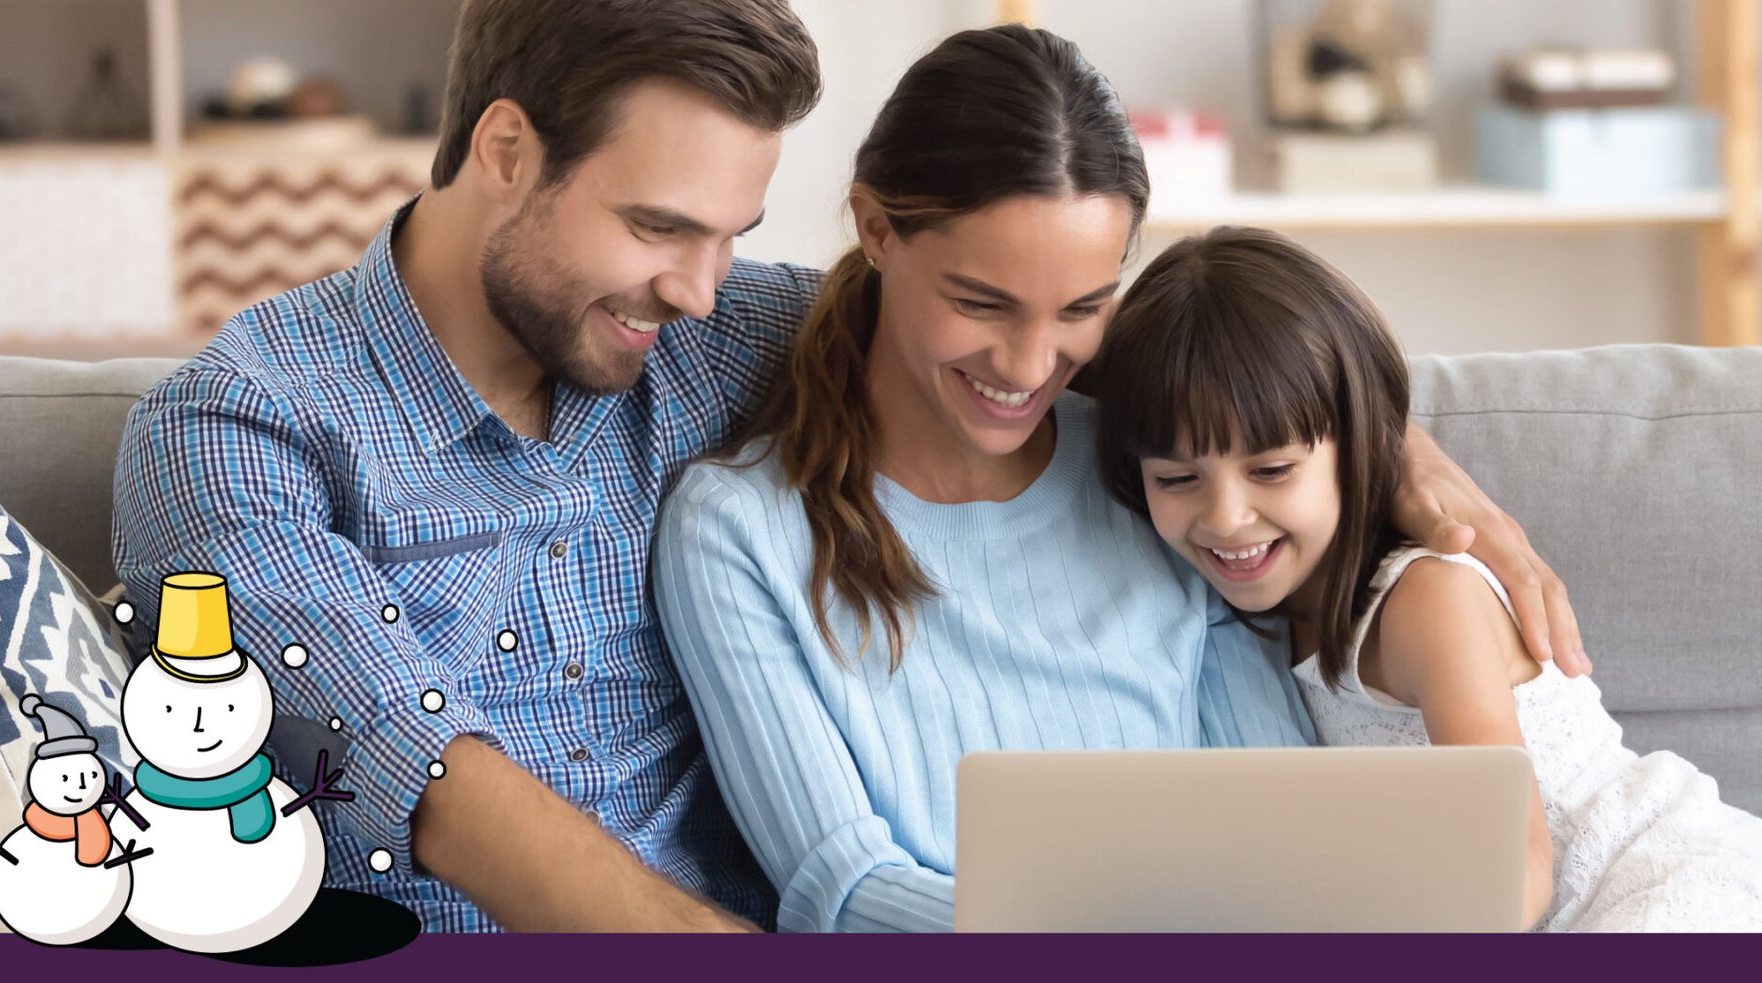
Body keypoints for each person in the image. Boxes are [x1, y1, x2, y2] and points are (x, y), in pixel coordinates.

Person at [115, 0, 1579, 932]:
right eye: (659, 226)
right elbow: (434, 782)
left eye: (733, 233)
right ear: (506, 147)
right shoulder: (238, 436)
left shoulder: (705, 327)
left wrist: (1411, 467)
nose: (702, 286)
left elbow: (1083, 333)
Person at [649, 24, 1585, 934]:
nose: (1025, 365)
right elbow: (843, 890)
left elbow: (1280, 801)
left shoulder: (1159, 476)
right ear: (877, 228)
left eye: (1082, 308)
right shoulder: (740, 531)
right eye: (981, 303)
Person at [1090, 226, 1762, 932]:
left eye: (1273, 470)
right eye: (1177, 477)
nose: (1225, 517)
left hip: (1660, 884)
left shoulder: (1426, 599)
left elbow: (1515, 866)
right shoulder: (1256, 613)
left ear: (1356, 446)